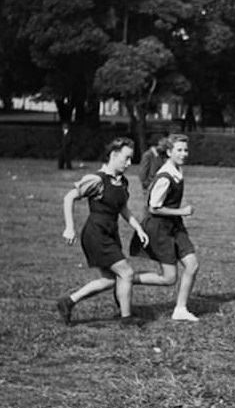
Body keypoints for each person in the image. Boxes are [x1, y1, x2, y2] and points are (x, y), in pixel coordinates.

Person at [56, 137, 152, 326]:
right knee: (126, 273)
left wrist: (139, 228)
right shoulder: (96, 179)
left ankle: (68, 302)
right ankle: (126, 319)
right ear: (114, 155)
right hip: (96, 234)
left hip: (110, 233)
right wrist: (69, 227)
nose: (129, 163)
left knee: (110, 279)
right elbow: (69, 197)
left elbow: (123, 208)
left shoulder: (122, 181)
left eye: (131, 159)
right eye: (126, 158)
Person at [136, 134, 201, 321]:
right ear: (169, 152)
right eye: (179, 150)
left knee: (192, 265)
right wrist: (182, 211)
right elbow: (154, 208)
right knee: (169, 278)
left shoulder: (176, 170)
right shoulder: (165, 176)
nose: (184, 154)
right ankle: (126, 279)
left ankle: (180, 309)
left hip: (174, 226)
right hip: (160, 228)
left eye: (185, 150)